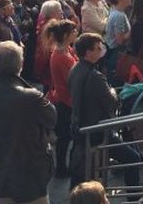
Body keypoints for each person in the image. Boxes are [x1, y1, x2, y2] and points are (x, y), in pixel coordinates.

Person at [0, 41, 57, 204]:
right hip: (30, 170)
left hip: (0, 170)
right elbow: (52, 118)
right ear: (20, 64)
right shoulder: (31, 96)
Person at [68, 33, 141, 189]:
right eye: (97, 48)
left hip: (81, 127)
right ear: (88, 53)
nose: (101, 50)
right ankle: (133, 197)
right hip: (98, 132)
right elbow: (112, 102)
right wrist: (113, 91)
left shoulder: (74, 69)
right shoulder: (95, 77)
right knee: (133, 159)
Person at [44, 19, 79, 178]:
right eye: (73, 31)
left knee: (66, 136)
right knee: (64, 137)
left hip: (65, 98)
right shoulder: (61, 56)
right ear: (66, 35)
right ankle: (61, 169)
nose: (76, 33)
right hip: (65, 100)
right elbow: (70, 80)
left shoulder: (67, 50)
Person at [104, 0, 131, 84]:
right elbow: (120, 40)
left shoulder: (115, 11)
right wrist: (132, 32)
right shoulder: (119, 16)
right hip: (116, 54)